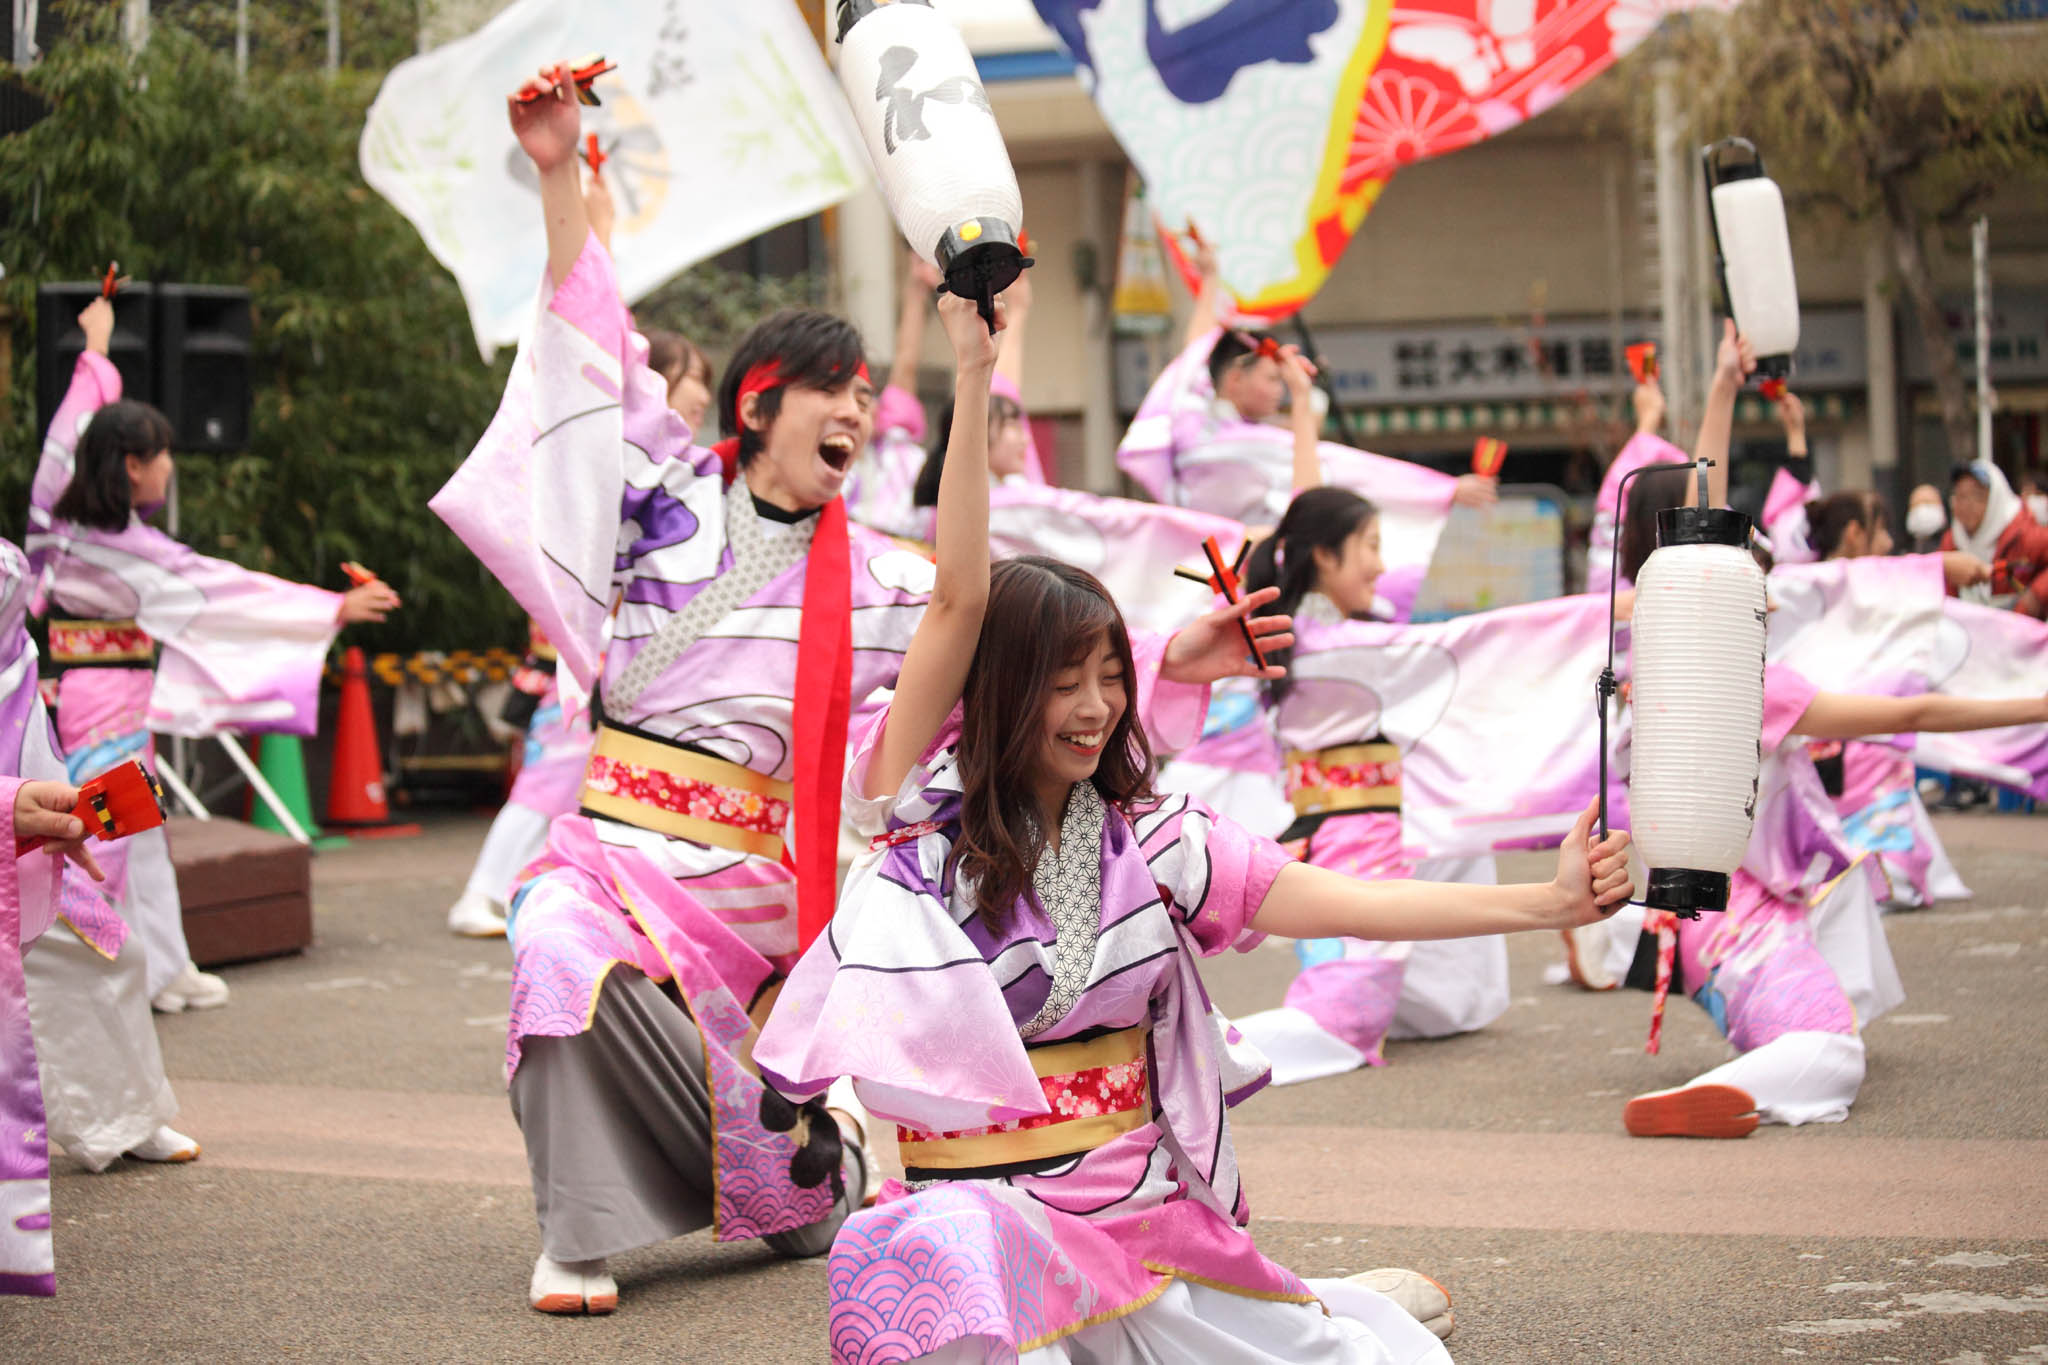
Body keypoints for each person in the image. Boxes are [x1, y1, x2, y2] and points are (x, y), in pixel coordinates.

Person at [434, 64, 1260, 1317]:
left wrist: (1166, 645)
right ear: (760, 405)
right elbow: (582, 370)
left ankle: (796, 1168)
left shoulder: (877, 574)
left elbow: (989, 617)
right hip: (606, 857)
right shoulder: (657, 513)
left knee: (788, 1173)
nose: (860, 413)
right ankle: (580, 1231)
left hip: (762, 904)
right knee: (552, 957)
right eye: (838, 391)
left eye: (869, 395)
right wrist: (560, 177)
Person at [755, 537, 1634, 1360]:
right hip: (976, 1219)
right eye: (1065, 681)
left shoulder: (1161, 843)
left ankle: (1342, 1308)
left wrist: (1546, 900)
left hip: (1136, 1229)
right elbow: (956, 602)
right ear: (997, 688)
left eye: (1110, 678)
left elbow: (1354, 900)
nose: (1096, 707)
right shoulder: (919, 841)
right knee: (929, 1245)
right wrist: (977, 372)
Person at [27, 299, 400, 1012]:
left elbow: (68, 424)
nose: (171, 463)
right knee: (106, 839)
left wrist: (96, 351)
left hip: (103, 694)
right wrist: (332, 607)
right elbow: (227, 593)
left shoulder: (54, 510)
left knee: (138, 835)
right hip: (105, 703)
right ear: (133, 466)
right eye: (162, 452)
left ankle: (161, 965)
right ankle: (96, 973)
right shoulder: (129, 550)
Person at [1622, 665, 2048, 1138]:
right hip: (1743, 921)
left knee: (1845, 876)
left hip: (1699, 913)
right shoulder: (1748, 682)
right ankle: (1708, 1090)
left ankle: (1780, 1043)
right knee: (1835, 1054)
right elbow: (1915, 713)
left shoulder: (1654, 680)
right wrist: (2039, 707)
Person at [1220, 487, 1513, 1083]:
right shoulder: (1325, 642)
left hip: (1366, 831)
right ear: (1326, 556)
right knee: (1338, 1022)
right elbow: (1479, 642)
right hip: (1353, 845)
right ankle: (1186, 1060)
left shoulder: (1327, 632)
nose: (1382, 564)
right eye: (1371, 547)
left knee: (1464, 850)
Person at [1117, 241, 1491, 621]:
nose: (1278, 389)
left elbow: (1195, 351)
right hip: (1247, 591)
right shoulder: (1234, 443)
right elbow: (1319, 493)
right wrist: (1441, 489)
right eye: (1271, 378)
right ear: (1234, 379)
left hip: (1203, 594)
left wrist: (1211, 277)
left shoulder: (1194, 427)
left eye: (1283, 382)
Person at [1943, 460, 2048, 618]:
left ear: (1996, 499)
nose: (1967, 505)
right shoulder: (1951, 541)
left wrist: (2035, 596)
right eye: (1960, 496)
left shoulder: (2025, 533)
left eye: (1977, 496)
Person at [1905, 482, 1949, 554]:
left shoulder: (1952, 544)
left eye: (1928, 503)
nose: (1922, 509)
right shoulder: (1903, 554)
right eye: (1916, 505)